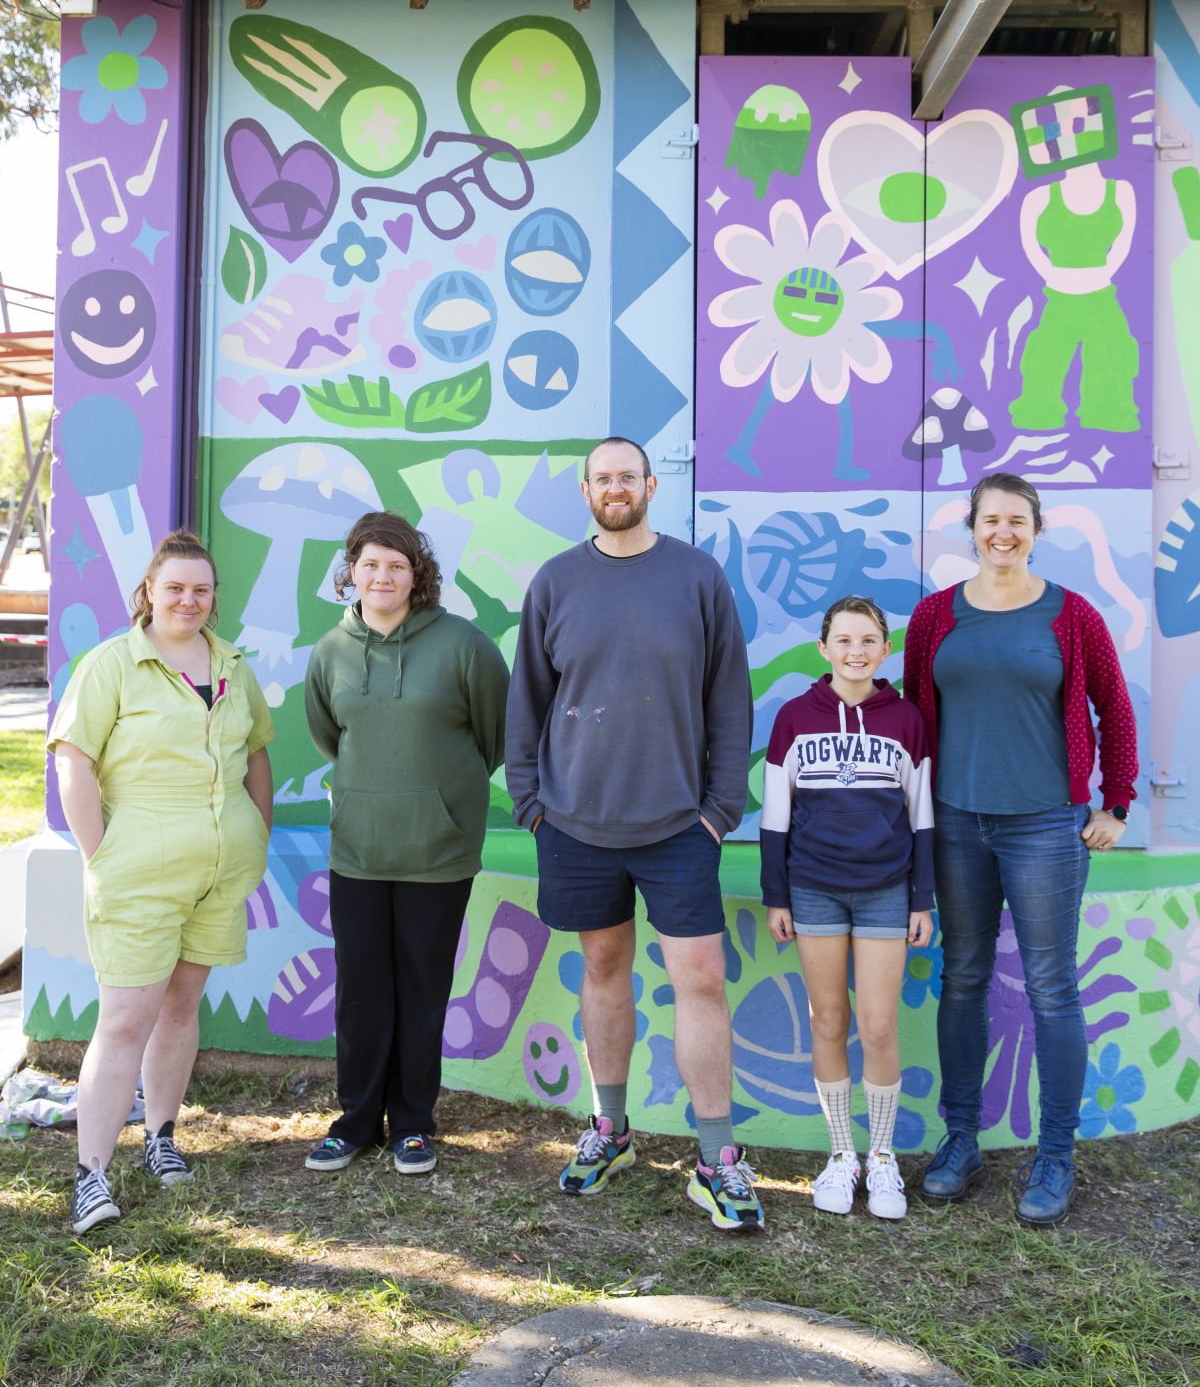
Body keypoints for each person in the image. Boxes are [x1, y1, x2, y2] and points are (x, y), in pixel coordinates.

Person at [506, 436, 761, 1232]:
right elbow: (529, 700)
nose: (615, 488)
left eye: (628, 476)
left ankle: (716, 1158)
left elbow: (730, 698)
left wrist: (720, 810)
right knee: (603, 966)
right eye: (601, 478)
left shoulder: (695, 577)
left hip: (680, 823)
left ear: (651, 485)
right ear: (585, 490)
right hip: (576, 820)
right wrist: (530, 802)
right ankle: (610, 1129)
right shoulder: (555, 582)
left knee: (701, 977)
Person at [904, 471, 1138, 1224]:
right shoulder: (935, 616)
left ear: (1037, 529)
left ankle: (1056, 1153)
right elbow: (912, 719)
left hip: (1046, 826)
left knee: (1052, 988)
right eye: (990, 520)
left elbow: (1114, 705)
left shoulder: (1071, 615)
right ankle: (960, 1139)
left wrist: (1118, 803)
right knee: (963, 977)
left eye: (1017, 520)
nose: (1002, 532)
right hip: (957, 824)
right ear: (971, 528)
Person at [49, 531, 274, 1235]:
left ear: (213, 597)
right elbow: (73, 761)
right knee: (124, 1020)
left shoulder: (232, 663)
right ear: (149, 591)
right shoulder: (111, 664)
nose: (188, 599)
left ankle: (161, 1137)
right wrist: (101, 854)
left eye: (201, 589)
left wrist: (255, 834)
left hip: (217, 871)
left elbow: (257, 754)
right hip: (139, 871)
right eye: (174, 587)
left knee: (181, 1008)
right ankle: (91, 1174)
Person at [303, 511, 508, 1177]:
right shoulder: (330, 650)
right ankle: (356, 1121)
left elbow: (494, 736)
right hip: (358, 848)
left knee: (423, 989)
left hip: (437, 851)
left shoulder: (463, 645)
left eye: (396, 564)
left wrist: (438, 803)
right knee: (361, 991)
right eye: (370, 564)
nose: (382, 575)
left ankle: (413, 1124)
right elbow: (331, 735)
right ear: (350, 572)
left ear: (417, 573)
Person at [762, 596, 933, 1222]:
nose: (855, 651)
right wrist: (776, 895)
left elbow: (923, 820)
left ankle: (882, 1157)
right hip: (813, 888)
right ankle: (842, 1155)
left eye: (868, 640)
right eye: (843, 640)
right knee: (829, 1020)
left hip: (887, 888)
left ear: (885, 650)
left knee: (880, 1025)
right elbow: (775, 820)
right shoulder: (793, 719)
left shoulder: (907, 721)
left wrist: (922, 899)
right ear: (824, 648)